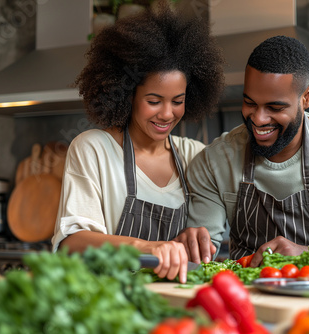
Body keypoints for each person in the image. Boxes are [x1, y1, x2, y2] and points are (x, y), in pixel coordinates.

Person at [175, 36, 309, 268]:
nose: (258, 119)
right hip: (245, 298)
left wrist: (305, 256)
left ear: (307, 98)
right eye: (250, 103)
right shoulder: (214, 161)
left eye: (275, 107)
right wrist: (194, 246)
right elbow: (203, 252)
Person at [51, 1, 225, 283]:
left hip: (170, 308)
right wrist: (145, 248)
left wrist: (197, 236)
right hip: (107, 305)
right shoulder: (94, 149)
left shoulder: (195, 156)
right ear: (127, 94)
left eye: (177, 101)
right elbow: (72, 244)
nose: (167, 114)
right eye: (154, 101)